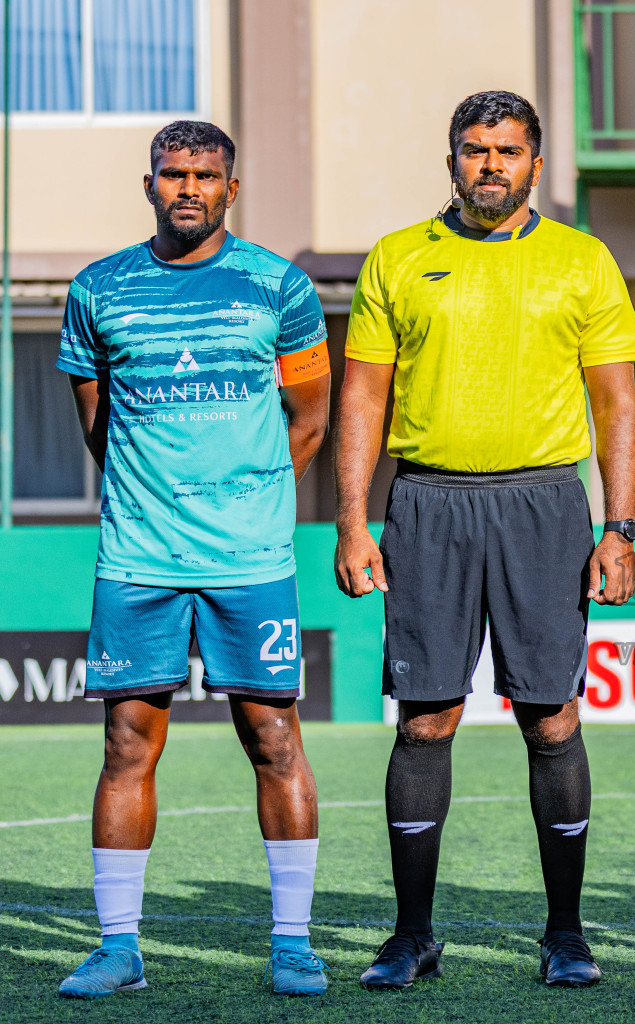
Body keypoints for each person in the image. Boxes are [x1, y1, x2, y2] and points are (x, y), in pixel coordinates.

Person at [333, 91, 635, 990]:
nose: (492, 165)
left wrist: (619, 527)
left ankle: (566, 934)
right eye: (476, 150)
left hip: (545, 505)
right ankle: (412, 935)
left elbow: (617, 401)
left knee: (551, 717)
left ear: (536, 165)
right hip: (427, 503)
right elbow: (362, 398)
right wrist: (354, 521)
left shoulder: (582, 262)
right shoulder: (397, 259)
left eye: (509, 151)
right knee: (426, 717)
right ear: (452, 159)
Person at [55, 121, 333, 998]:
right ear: (149, 185)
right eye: (172, 174)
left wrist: (244, 495)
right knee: (126, 742)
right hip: (137, 556)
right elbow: (98, 422)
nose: (187, 188)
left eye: (205, 175)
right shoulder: (98, 289)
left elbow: (311, 419)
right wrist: (159, 496)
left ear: (230, 188)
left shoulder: (279, 287)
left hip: (249, 558)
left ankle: (292, 942)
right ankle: (118, 947)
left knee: (274, 738)